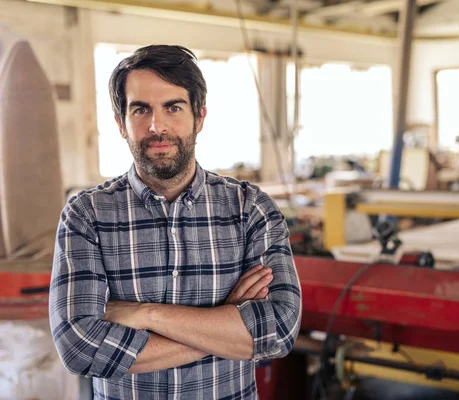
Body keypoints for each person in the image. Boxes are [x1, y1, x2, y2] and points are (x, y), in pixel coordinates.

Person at [49, 44, 301, 400]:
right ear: (121, 123)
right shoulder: (86, 215)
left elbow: (278, 331)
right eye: (141, 109)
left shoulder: (250, 209)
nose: (157, 126)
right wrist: (226, 327)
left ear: (199, 117)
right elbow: (80, 348)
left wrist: (145, 314)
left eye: (173, 107)